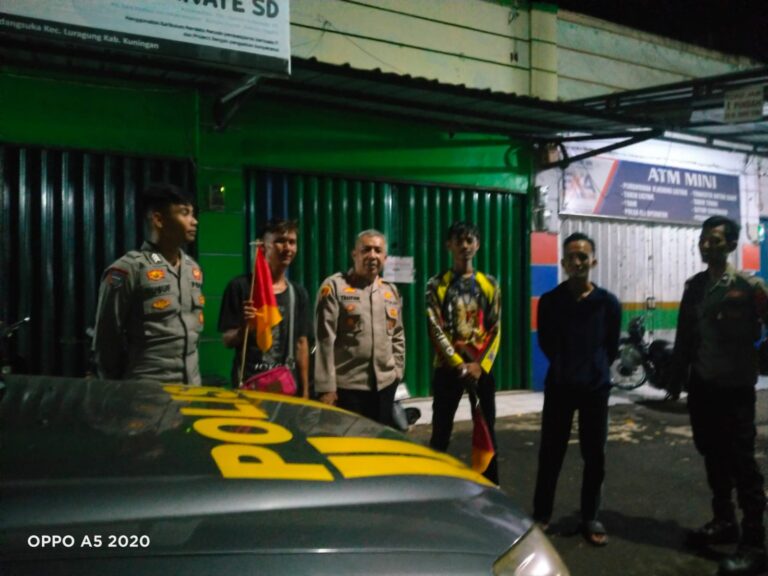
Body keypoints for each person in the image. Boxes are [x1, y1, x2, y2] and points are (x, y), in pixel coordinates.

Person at [669, 215, 766, 575]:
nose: (706, 245)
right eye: (703, 239)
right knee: (712, 455)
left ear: (731, 245)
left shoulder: (749, 286)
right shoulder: (695, 286)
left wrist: (763, 356)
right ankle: (724, 521)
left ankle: (755, 543)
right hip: (702, 387)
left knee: (743, 464)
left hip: (735, 389)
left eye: (715, 240)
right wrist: (676, 377)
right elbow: (684, 334)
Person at [532, 232, 621, 546]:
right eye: (571, 257)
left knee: (594, 456)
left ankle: (590, 517)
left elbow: (611, 346)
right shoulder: (550, 302)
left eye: (583, 256)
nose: (577, 262)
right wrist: (565, 366)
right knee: (550, 454)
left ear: (593, 261)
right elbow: (546, 342)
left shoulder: (608, 303)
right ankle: (541, 515)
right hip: (560, 387)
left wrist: (595, 369)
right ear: (563, 262)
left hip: (595, 390)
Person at [93, 183, 204, 384]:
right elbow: (106, 339)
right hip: (147, 388)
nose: (194, 221)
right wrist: (116, 387)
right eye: (184, 213)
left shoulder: (192, 269)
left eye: (193, 214)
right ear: (158, 220)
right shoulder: (126, 270)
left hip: (191, 389)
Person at [426, 221, 502, 484]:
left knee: (487, 429)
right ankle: (434, 486)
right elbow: (434, 328)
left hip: (481, 369)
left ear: (477, 245)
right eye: (459, 241)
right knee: (440, 432)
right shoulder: (436, 284)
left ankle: (490, 486)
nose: (465, 246)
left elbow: (495, 328)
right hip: (448, 369)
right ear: (449, 245)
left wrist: (480, 365)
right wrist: (458, 364)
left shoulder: (489, 284)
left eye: (470, 240)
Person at [314, 229, 405, 425]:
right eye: (366, 250)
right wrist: (327, 388)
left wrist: (397, 372)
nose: (372, 255)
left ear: (385, 257)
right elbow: (324, 341)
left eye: (378, 251)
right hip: (348, 389)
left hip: (385, 387)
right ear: (354, 254)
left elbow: (398, 335)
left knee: (380, 441)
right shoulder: (334, 287)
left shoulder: (390, 291)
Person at [218, 219, 312, 396]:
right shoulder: (240, 287)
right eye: (280, 241)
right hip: (250, 385)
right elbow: (227, 341)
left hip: (286, 387)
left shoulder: (298, 293)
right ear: (262, 247)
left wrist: (306, 391)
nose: (288, 248)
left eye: (292, 242)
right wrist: (245, 328)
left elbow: (301, 343)